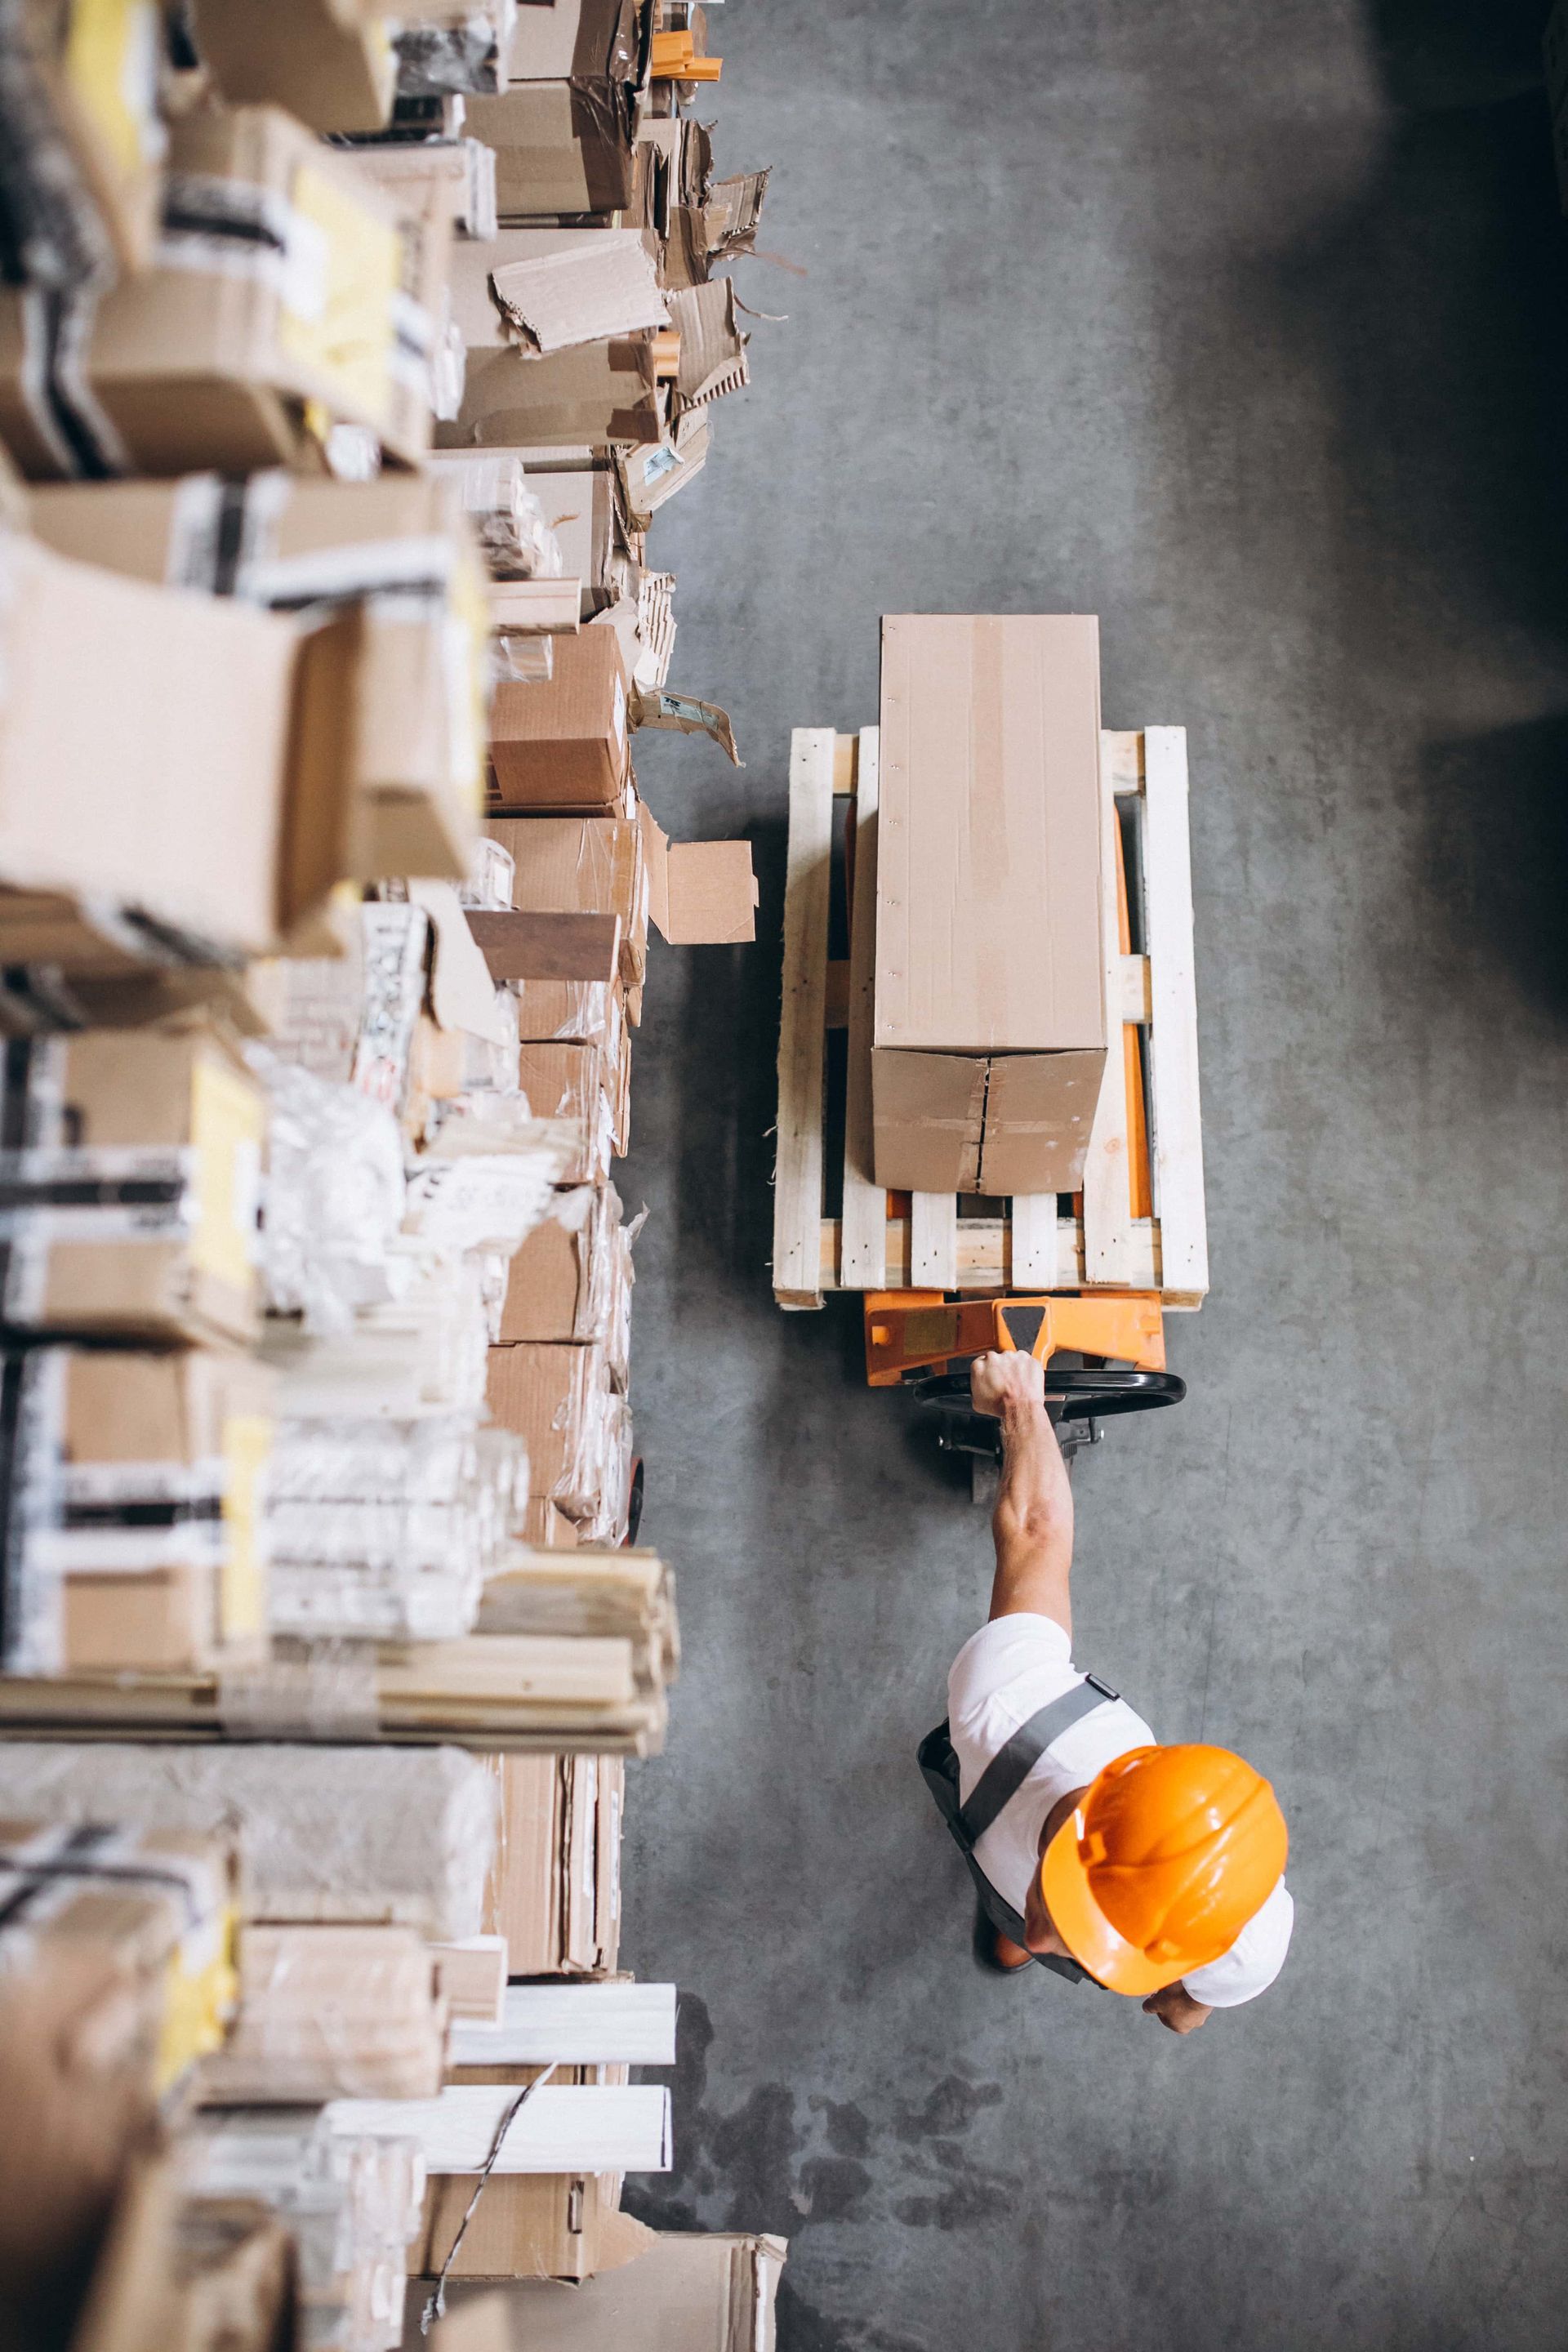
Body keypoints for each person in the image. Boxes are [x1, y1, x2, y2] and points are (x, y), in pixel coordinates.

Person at [919, 1348, 1293, 2033]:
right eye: (1067, 1899)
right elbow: (1034, 1538)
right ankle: (998, 1910)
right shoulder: (1001, 1709)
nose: (1045, 1938)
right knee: (1011, 1924)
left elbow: (1201, 1998)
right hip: (1001, 1803)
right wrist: (1022, 1407)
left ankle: (1000, 1910)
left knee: (1012, 1922)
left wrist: (1190, 1998)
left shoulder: (1225, 1892)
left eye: (1088, 1923)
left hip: (1004, 1833)